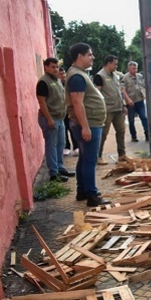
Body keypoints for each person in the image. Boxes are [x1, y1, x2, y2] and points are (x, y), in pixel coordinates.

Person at [65, 42, 110, 207]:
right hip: (88, 124)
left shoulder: (78, 73)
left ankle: (82, 191)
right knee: (90, 161)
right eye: (90, 54)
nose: (93, 57)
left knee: (84, 159)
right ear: (80, 56)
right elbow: (77, 103)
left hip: (89, 123)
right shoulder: (77, 76)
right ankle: (92, 195)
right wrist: (85, 126)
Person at [36, 58, 75, 182]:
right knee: (51, 146)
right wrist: (49, 119)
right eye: (52, 67)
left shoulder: (57, 80)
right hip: (50, 118)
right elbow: (41, 102)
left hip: (60, 118)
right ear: (46, 67)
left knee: (61, 144)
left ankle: (60, 167)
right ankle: (54, 173)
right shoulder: (43, 82)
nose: (55, 69)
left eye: (57, 67)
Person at [93, 55, 128, 165]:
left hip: (118, 109)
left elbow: (119, 91)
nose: (116, 66)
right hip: (107, 110)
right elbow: (97, 94)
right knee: (103, 134)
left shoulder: (116, 76)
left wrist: (124, 105)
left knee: (121, 131)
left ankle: (122, 155)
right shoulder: (100, 76)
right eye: (115, 64)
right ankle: (98, 156)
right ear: (108, 63)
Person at [122, 61, 149, 142]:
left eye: (136, 68)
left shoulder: (139, 76)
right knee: (131, 120)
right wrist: (128, 100)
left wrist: (144, 95)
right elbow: (123, 90)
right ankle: (134, 136)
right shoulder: (125, 78)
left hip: (139, 100)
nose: (135, 70)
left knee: (144, 117)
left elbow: (143, 86)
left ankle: (147, 134)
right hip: (131, 102)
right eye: (133, 68)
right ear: (129, 68)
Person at [58, 67, 78, 156]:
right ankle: (66, 146)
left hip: (70, 109)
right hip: (61, 110)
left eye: (64, 73)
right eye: (61, 74)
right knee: (64, 129)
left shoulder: (68, 84)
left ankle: (76, 146)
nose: (63, 75)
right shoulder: (57, 84)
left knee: (73, 128)